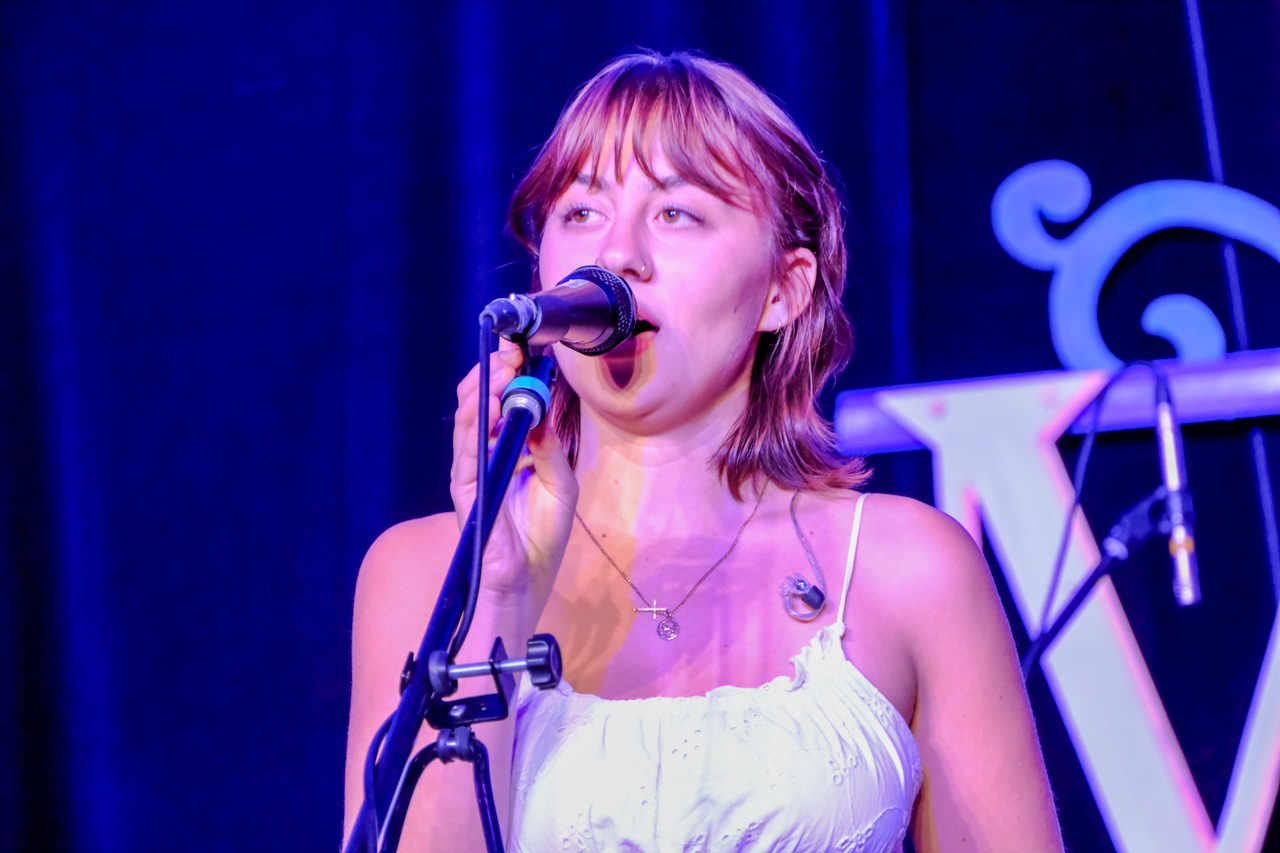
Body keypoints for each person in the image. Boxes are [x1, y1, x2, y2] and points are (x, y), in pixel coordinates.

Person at [344, 50, 1064, 852]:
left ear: (783, 289)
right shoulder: (424, 574)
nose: (616, 254)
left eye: (676, 213)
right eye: (581, 212)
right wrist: (499, 592)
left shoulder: (909, 568)